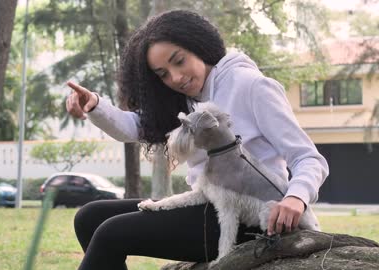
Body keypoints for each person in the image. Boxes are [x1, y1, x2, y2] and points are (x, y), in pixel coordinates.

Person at [66, 10, 329, 270]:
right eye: (163, 74)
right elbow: (136, 127)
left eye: (179, 61)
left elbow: (308, 158)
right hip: (206, 204)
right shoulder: (186, 100)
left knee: (111, 233)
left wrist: (296, 198)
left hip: (252, 217)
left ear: (198, 46)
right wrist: (95, 106)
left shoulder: (252, 86)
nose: (176, 78)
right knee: (89, 217)